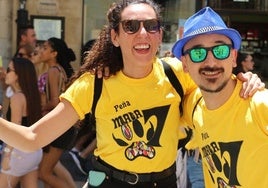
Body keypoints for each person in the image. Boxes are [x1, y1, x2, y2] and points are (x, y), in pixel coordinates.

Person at [0, 1, 263, 188]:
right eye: (131, 26)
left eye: (151, 25)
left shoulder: (178, 73)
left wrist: (247, 80)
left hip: (164, 181)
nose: (142, 32)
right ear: (114, 36)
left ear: (160, 35)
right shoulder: (95, 83)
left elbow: (217, 84)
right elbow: (33, 138)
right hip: (108, 180)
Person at [172, 6, 268, 187]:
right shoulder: (192, 105)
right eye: (198, 53)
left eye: (220, 50)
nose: (211, 62)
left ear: (233, 57)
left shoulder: (261, 105)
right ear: (185, 64)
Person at [38, 37, 77, 188]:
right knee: (51, 170)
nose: (41, 51)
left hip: (60, 127)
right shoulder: (59, 70)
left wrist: (40, 108)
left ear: (54, 53)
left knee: (43, 173)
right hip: (63, 125)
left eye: (45, 48)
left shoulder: (54, 71)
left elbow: (55, 102)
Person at [0, 58, 43, 188]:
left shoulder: (17, 97)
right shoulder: (30, 95)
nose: (6, 73)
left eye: (9, 70)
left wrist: (7, 155)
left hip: (18, 153)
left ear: (18, 74)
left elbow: (15, 127)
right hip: (34, 151)